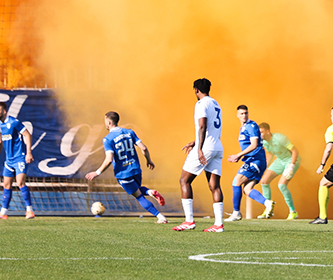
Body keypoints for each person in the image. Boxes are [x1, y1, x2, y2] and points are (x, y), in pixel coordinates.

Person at [85, 111, 168, 224]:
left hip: (124, 173)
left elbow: (109, 159)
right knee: (138, 190)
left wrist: (97, 172)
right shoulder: (129, 132)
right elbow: (143, 148)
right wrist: (149, 160)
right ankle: (150, 192)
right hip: (136, 169)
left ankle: (160, 217)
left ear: (109, 122)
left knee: (139, 197)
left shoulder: (107, 139)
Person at [176, 78, 224, 232]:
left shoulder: (201, 104)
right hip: (217, 147)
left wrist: (199, 148)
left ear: (196, 90)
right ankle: (218, 224)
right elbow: (211, 129)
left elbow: (202, 126)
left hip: (206, 148)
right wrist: (194, 142)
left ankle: (189, 221)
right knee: (214, 186)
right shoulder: (216, 104)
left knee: (184, 180)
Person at [0, 101, 36, 220]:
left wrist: (28, 152)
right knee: (6, 185)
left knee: (20, 182)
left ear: (4, 112)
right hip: (9, 160)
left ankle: (29, 211)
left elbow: (27, 135)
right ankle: (3, 213)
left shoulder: (14, 122)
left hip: (19, 158)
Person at [225, 104, 270, 221]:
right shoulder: (244, 127)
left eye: (246, 113)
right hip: (254, 160)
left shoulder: (251, 126)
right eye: (241, 114)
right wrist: (240, 156)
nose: (244, 115)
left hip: (255, 160)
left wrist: (238, 155)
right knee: (247, 189)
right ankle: (267, 203)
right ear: (237, 115)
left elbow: (254, 145)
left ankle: (236, 213)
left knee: (236, 181)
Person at [258, 123, 301, 220]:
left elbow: (295, 151)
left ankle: (293, 211)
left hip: (291, 160)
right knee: (264, 181)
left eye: (261, 132)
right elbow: (269, 154)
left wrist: (291, 166)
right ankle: (268, 208)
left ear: (268, 131)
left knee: (281, 185)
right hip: (280, 160)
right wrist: (264, 168)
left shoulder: (280, 138)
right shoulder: (264, 142)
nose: (260, 135)